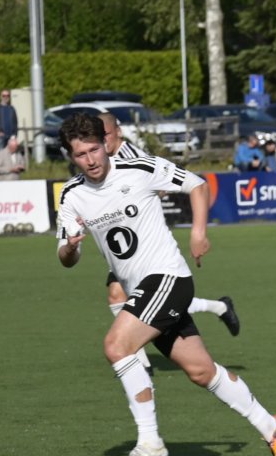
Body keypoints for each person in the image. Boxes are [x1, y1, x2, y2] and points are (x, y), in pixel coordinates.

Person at [55, 113, 276, 456]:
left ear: (105, 144)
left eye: (94, 150)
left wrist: (198, 233)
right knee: (201, 371)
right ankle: (272, 427)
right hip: (143, 291)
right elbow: (65, 258)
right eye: (80, 155)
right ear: (71, 157)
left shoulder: (139, 168)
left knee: (117, 345)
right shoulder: (72, 195)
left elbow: (197, 185)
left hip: (168, 278)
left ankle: (149, 440)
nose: (90, 160)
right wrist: (71, 248)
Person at [98, 112, 240, 379]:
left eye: (104, 134)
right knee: (129, 297)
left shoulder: (132, 156)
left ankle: (139, 362)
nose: (101, 141)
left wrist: (197, 232)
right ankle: (219, 308)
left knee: (130, 297)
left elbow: (171, 185)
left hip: (143, 245)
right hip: (123, 244)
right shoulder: (102, 160)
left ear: (118, 132)